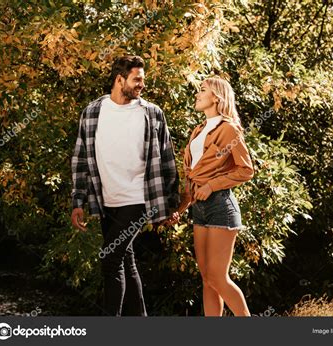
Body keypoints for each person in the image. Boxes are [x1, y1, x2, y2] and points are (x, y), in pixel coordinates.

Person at [70, 55, 179, 316]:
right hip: (106, 199)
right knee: (125, 260)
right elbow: (81, 157)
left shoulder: (151, 114)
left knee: (109, 259)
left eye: (143, 79)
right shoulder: (93, 112)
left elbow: (167, 159)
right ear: (120, 80)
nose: (142, 84)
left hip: (139, 199)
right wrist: (78, 201)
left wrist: (172, 204)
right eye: (137, 79)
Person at [169, 77, 254, 316]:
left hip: (220, 206)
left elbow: (246, 169)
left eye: (202, 90)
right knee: (207, 278)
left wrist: (212, 186)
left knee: (218, 276)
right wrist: (181, 207)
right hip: (199, 208)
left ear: (216, 97)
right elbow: (192, 176)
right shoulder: (197, 131)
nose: (197, 94)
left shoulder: (228, 129)